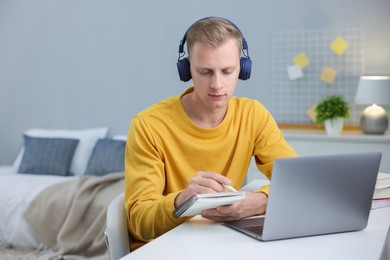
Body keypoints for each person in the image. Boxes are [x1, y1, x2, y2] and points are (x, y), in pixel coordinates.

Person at [124, 17, 297, 250]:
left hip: (220, 243)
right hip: (163, 249)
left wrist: (260, 201)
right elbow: (139, 224)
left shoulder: (253, 115)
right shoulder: (148, 125)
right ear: (186, 71)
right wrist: (183, 201)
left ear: (243, 69)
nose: (217, 84)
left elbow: (298, 183)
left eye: (227, 71)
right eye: (204, 72)